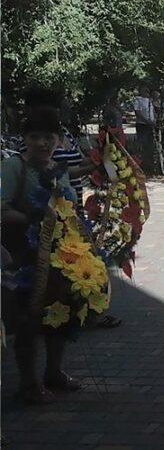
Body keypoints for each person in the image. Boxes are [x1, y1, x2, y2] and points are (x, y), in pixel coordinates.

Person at [1, 107, 86, 404]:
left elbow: (68, 207)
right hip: (23, 256)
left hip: (60, 256)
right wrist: (33, 220)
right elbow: (1, 207)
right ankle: (29, 383)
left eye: (48, 137)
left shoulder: (57, 170)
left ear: (58, 140)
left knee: (59, 314)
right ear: (24, 138)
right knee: (28, 318)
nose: (42, 143)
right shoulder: (13, 167)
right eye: (35, 136)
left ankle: (54, 372)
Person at [133, 88, 158, 174]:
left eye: (148, 91)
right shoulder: (138, 100)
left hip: (150, 125)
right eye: (145, 91)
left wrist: (154, 120)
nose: (147, 93)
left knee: (150, 145)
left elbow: (152, 111)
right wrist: (147, 121)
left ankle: (150, 165)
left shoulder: (149, 101)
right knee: (142, 143)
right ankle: (141, 164)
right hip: (142, 125)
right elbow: (138, 113)